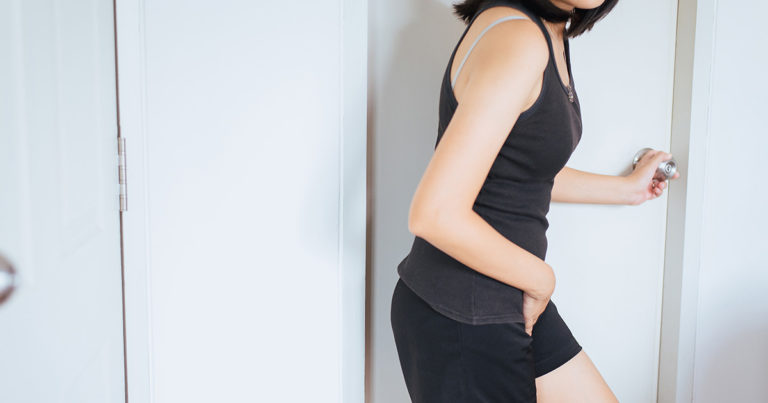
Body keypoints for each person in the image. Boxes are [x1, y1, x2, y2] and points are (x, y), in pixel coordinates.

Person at [390, 0, 680, 401]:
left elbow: (518, 167)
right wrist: (542, 280)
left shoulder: (549, 31)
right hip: (464, 311)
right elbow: (435, 214)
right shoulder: (519, 38)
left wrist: (627, 190)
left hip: (509, 298)